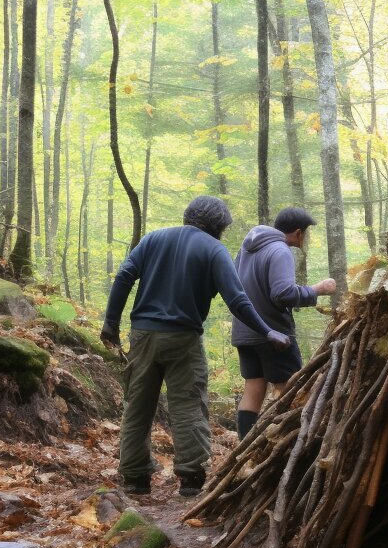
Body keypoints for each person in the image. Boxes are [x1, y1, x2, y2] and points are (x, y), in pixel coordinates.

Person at [100, 196, 289, 498]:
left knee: (138, 406)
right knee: (188, 406)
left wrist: (110, 322)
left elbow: (124, 276)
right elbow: (237, 300)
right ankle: (190, 478)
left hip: (143, 336)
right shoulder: (214, 249)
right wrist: (268, 331)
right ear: (218, 226)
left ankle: (135, 479)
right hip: (184, 339)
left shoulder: (154, 238)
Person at [232, 207, 335, 440]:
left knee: (253, 389)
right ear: (298, 232)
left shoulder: (246, 250)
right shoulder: (279, 249)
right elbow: (283, 294)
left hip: (244, 332)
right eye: (306, 233)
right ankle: (280, 444)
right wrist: (317, 290)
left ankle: (244, 448)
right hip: (273, 334)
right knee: (288, 389)